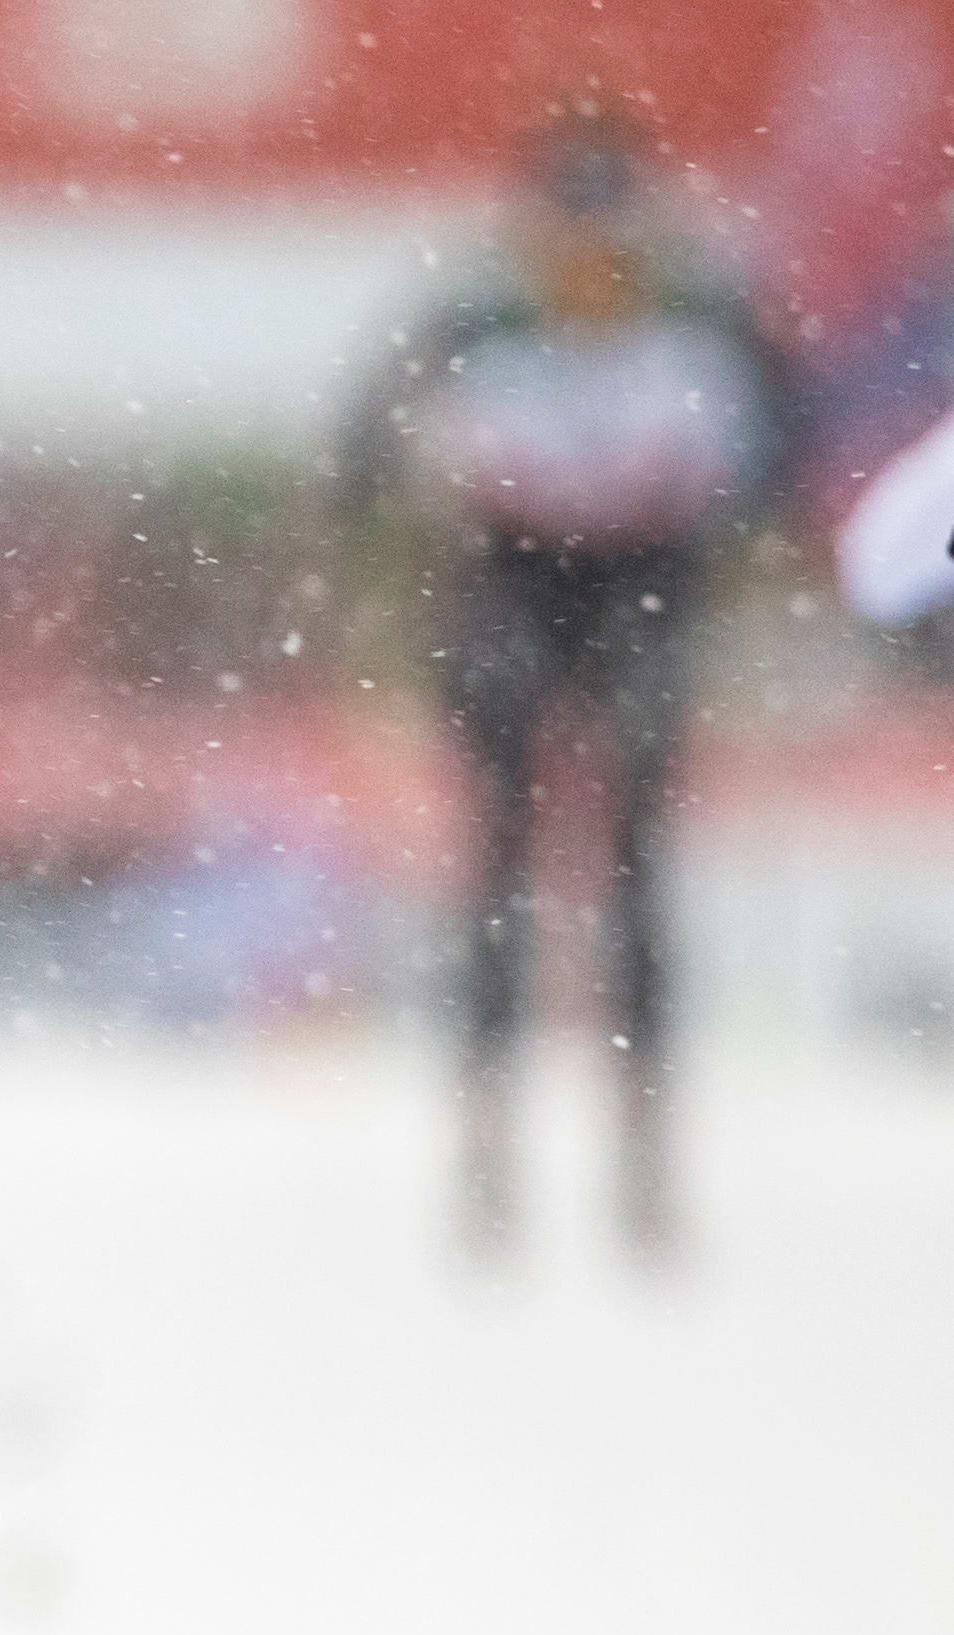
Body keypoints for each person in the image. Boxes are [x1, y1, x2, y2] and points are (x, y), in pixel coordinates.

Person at [338, 118, 799, 1262]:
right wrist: (400, 549)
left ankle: (643, 1142)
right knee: (499, 860)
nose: (589, 266)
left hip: (645, 576)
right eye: (568, 239)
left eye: (609, 240)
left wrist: (741, 553)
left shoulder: (702, 313)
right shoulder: (476, 316)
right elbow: (365, 448)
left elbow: (785, 447)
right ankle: (488, 1137)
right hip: (514, 575)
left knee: (634, 864)